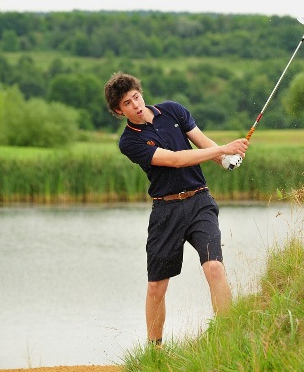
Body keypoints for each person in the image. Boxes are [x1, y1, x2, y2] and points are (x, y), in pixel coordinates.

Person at [103, 72, 249, 346]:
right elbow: (177, 160)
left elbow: (204, 144)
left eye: (136, 97)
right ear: (118, 110)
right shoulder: (129, 142)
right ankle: (155, 351)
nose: (135, 104)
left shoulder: (173, 111)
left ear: (141, 92)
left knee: (214, 267)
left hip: (200, 202)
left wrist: (226, 158)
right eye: (127, 103)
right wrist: (226, 147)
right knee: (157, 286)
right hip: (166, 211)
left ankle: (230, 336)